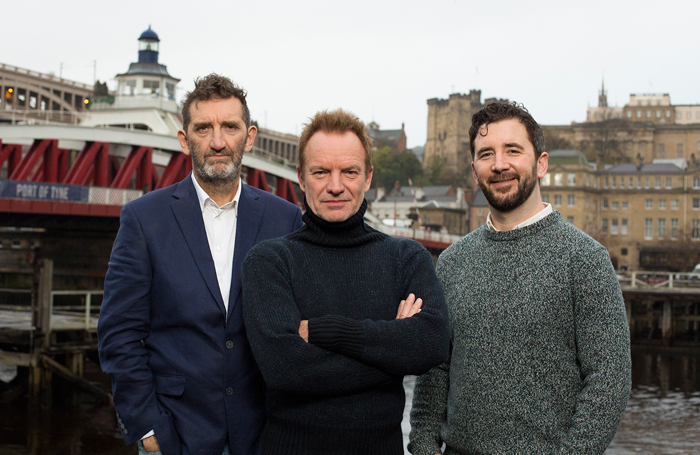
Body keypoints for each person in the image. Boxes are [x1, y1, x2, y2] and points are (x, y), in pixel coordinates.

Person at [409, 101, 631, 455]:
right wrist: (423, 445)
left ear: (541, 163)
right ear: (474, 169)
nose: (499, 164)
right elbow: (435, 369)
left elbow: (609, 381)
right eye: (486, 154)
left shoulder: (585, 259)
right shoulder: (451, 262)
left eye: (513, 150)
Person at [97, 74, 302, 455]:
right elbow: (118, 333)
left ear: (250, 137)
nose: (218, 141)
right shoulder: (143, 219)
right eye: (203, 128)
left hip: (265, 435)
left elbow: (303, 325)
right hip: (175, 435)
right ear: (184, 138)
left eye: (230, 127)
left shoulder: (286, 220)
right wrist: (146, 428)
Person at [241, 109, 450, 455]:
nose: (335, 186)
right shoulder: (269, 261)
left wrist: (328, 332)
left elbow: (431, 344)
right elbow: (285, 370)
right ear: (300, 177)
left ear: (367, 177)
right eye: (321, 172)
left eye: (349, 172)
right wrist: (393, 352)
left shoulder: (406, 257)